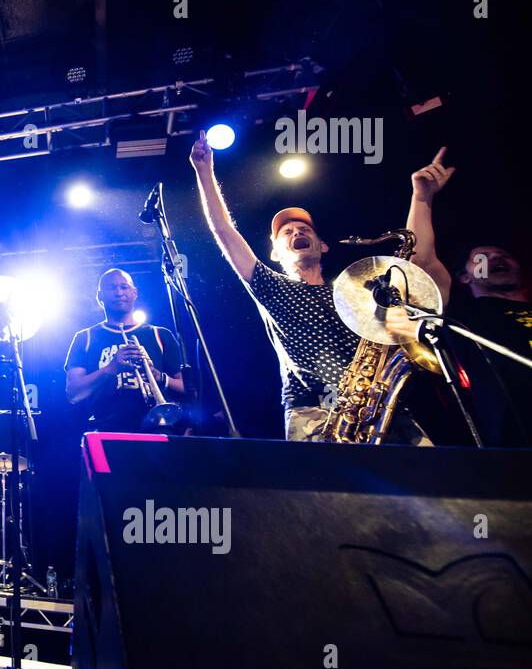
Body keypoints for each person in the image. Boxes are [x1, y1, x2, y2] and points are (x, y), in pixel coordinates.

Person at [189, 130, 446, 442]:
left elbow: (415, 267)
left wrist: (421, 198)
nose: (297, 231)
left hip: (385, 410)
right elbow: (224, 230)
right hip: (315, 415)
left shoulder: (357, 288)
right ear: (274, 253)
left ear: (323, 246)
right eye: (287, 232)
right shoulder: (273, 287)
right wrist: (205, 173)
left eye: (303, 228)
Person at [64, 269, 185, 432]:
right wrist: (110, 368)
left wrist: (159, 377)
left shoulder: (159, 334)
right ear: (100, 296)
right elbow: (73, 393)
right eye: (111, 287)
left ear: (134, 293)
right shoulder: (85, 337)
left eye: (124, 287)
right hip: (108, 430)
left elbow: (187, 388)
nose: (119, 292)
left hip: (159, 428)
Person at [440, 244, 532, 446]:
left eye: (504, 255)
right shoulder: (465, 315)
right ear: (464, 277)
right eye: (483, 258)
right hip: (518, 447)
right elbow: (423, 263)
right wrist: (424, 209)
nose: (497, 258)